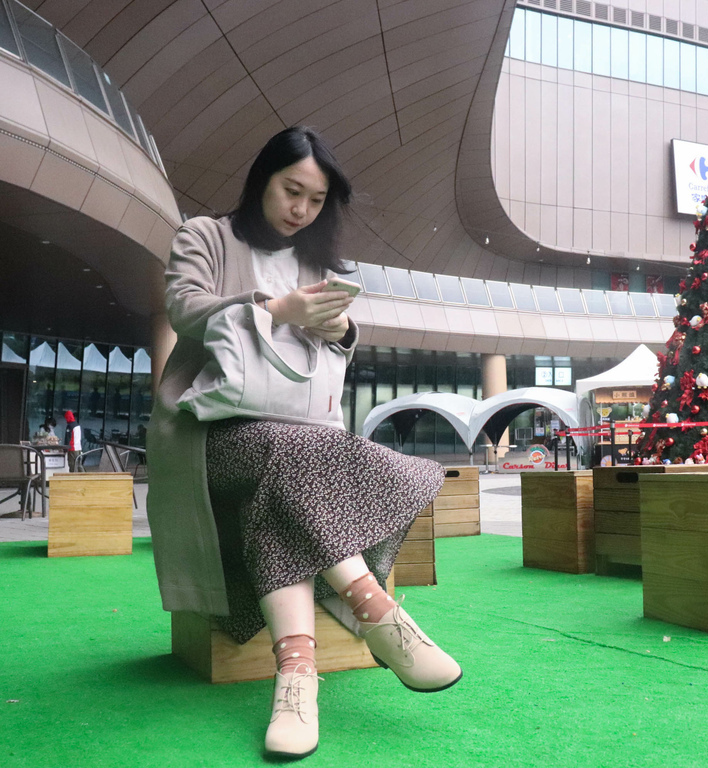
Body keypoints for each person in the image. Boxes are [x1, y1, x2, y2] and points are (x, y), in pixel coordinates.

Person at [147, 127, 460, 760]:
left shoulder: (319, 264)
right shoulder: (206, 235)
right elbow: (183, 308)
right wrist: (274, 310)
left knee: (284, 478)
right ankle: (378, 614)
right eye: (293, 190)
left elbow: (332, 351)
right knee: (286, 459)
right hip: (210, 435)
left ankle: (296, 675)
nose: (301, 209)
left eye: (316, 201)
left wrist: (342, 326)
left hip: (294, 437)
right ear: (263, 177)